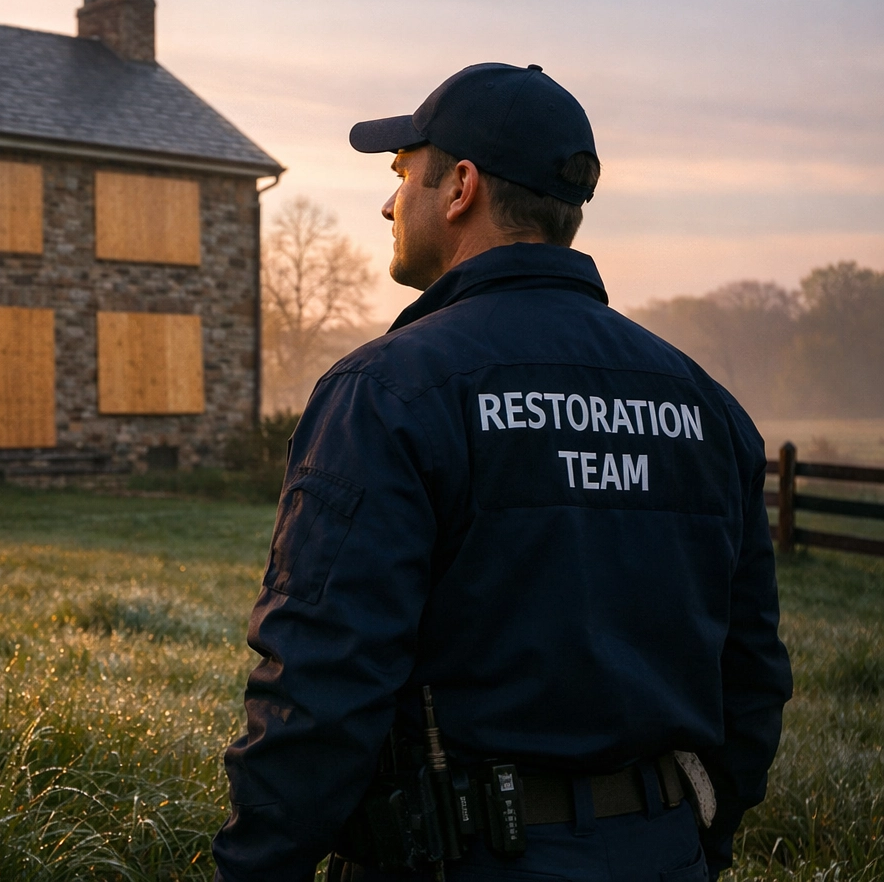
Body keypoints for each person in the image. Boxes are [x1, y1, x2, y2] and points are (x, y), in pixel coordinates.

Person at [212, 63, 791, 882]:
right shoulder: (708, 407)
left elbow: (320, 682)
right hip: (665, 855)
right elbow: (754, 678)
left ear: (460, 188)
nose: (388, 203)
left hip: (463, 859)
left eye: (401, 174)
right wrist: (692, 843)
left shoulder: (386, 394)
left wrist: (254, 868)